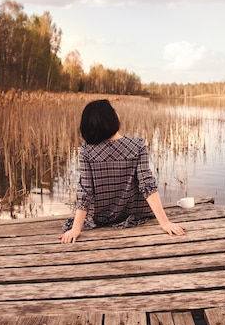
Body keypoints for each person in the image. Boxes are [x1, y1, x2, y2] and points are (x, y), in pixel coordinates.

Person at [59, 99, 186, 243]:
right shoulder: (137, 145)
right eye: (113, 111)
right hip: (135, 214)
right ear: (109, 120)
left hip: (101, 217)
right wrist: (165, 223)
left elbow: (86, 192)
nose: (117, 113)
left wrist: (76, 228)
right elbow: (147, 185)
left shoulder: (86, 151)